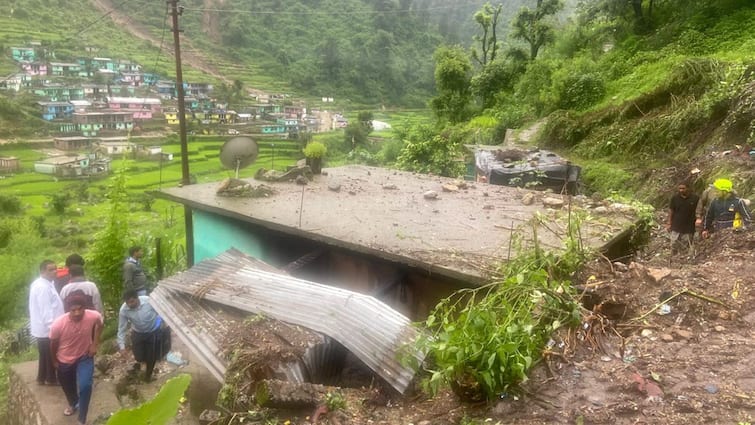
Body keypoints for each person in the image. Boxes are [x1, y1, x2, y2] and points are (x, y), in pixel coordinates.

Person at [50, 291, 102, 425]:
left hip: (85, 356)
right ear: (68, 310)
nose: (77, 313)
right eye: (74, 310)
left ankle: (82, 419)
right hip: (64, 359)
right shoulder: (58, 324)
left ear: (85, 308)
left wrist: (95, 344)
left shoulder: (93, 316)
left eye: (80, 309)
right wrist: (54, 360)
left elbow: (100, 325)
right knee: (68, 386)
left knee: (85, 386)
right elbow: (53, 344)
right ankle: (73, 403)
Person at [117, 290, 169, 382]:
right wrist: (122, 347)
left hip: (152, 332)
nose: (129, 304)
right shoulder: (124, 310)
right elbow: (121, 328)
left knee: (151, 357)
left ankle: (148, 376)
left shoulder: (149, 301)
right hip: (138, 333)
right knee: (139, 357)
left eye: (132, 301)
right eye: (127, 302)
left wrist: (160, 322)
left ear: (137, 298)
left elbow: (161, 312)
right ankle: (144, 363)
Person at [28, 259, 64, 385]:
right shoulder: (42, 287)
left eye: (55, 268)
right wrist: (52, 328)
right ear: (42, 271)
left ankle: (42, 377)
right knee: (50, 354)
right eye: (50, 269)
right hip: (47, 328)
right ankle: (51, 379)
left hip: (43, 327)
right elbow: (46, 310)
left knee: (44, 354)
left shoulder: (46, 283)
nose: (54, 271)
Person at [666, 182, 699, 256]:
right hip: (676, 224)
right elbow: (671, 210)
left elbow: (699, 210)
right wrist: (669, 223)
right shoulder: (675, 198)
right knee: (674, 242)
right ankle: (673, 256)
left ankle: (684, 257)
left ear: (688, 188)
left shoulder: (695, 198)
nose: (681, 190)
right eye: (680, 188)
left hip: (689, 225)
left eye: (683, 188)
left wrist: (698, 220)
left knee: (687, 243)